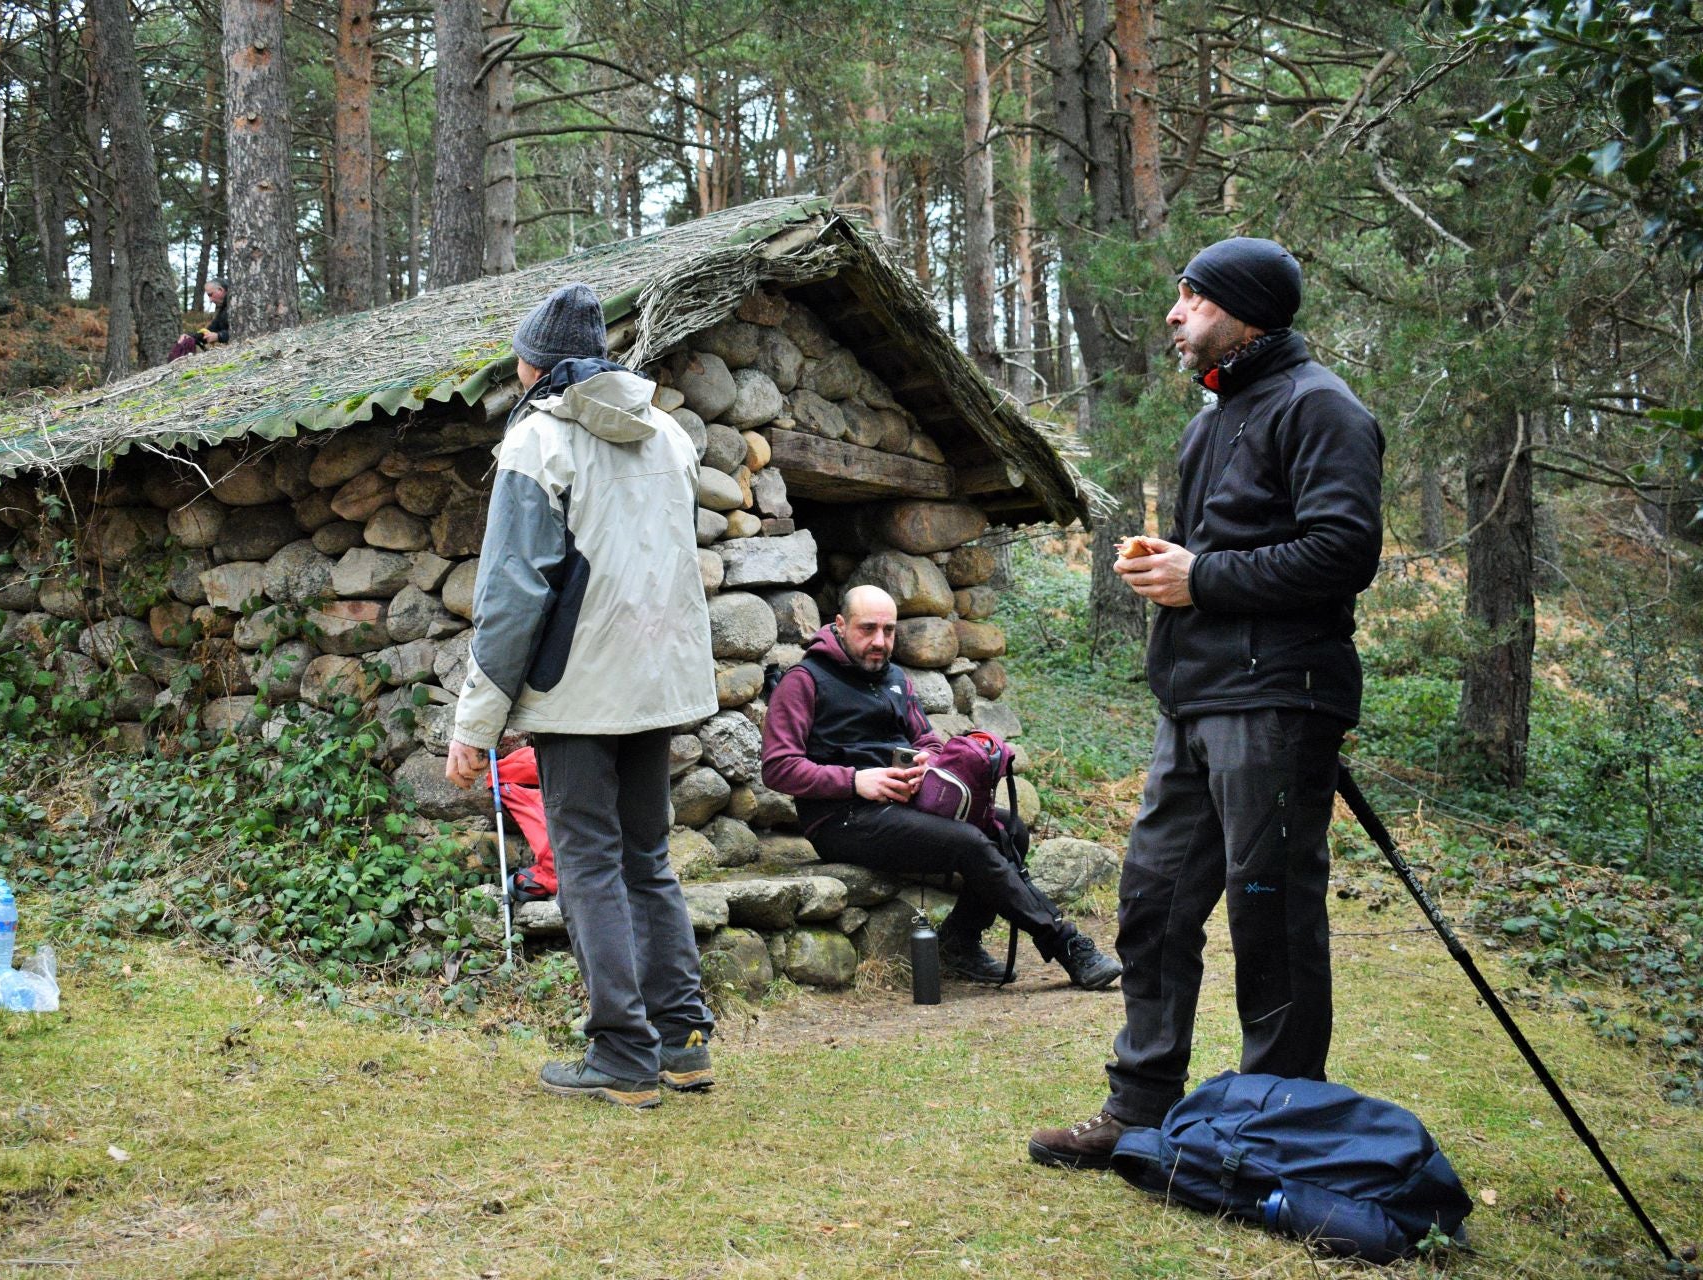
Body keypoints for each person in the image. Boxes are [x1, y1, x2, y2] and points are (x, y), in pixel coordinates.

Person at [1028, 237, 1384, 1169]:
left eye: (1193, 297)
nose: (1176, 314)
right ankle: (1139, 1107)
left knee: (1270, 913)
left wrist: (1205, 576)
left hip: (1277, 702)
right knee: (1151, 900)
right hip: (1194, 701)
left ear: (1245, 309)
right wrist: (1170, 565)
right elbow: (1217, 555)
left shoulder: (1322, 408)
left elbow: (1345, 552)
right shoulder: (1213, 419)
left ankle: (1281, 1130)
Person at [444, 281, 718, 1110]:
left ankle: (623, 1055)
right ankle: (682, 1042)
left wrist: (475, 725)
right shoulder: (669, 435)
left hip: (575, 690)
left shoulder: (538, 443)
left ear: (535, 364)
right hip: (656, 683)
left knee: (591, 868)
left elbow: (512, 595)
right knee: (647, 862)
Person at [761, 584, 1122, 989]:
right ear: (840, 626)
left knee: (1011, 830)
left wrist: (925, 762)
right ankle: (1065, 944)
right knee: (968, 842)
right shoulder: (803, 681)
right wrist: (856, 780)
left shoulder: (894, 677)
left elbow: (928, 740)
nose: (880, 642)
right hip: (841, 819)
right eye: (868, 629)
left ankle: (960, 942)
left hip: (906, 804)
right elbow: (778, 768)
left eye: (889, 630)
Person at [167, 279, 229, 362]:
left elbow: (244, 332)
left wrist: (219, 336)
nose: (210, 300)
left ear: (220, 290)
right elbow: (210, 330)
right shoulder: (223, 310)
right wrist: (190, 337)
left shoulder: (238, 304)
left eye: (210, 294)